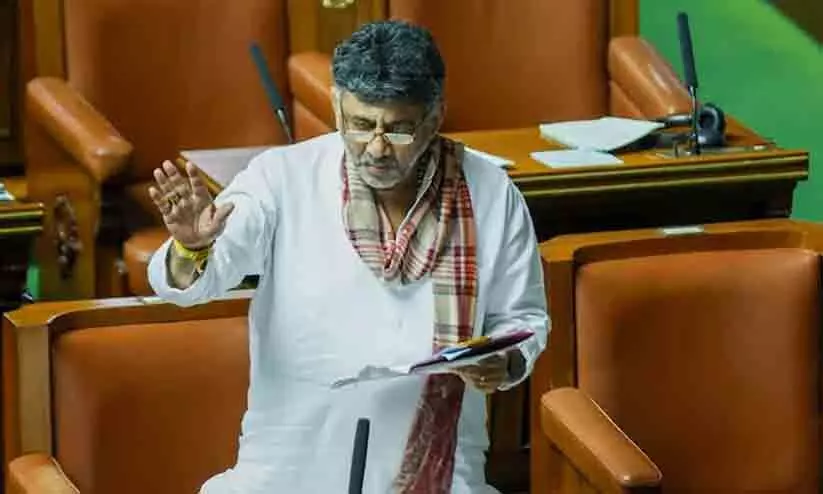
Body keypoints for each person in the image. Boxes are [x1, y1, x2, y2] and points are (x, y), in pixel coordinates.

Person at [147, 20, 548, 494]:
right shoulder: (281, 178)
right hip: (291, 469)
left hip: (441, 473)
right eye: (360, 125)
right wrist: (192, 246)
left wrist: (507, 362)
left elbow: (524, 319)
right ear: (337, 105)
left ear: (435, 117)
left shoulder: (490, 191)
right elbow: (200, 280)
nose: (376, 148)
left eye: (398, 129)